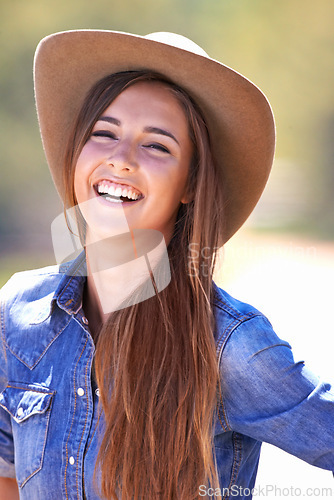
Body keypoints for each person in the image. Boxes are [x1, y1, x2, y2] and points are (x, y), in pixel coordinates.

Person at [0, 29, 333, 500]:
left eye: (156, 146)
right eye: (104, 133)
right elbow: (7, 475)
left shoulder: (227, 345)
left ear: (190, 186)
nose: (121, 159)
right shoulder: (18, 314)